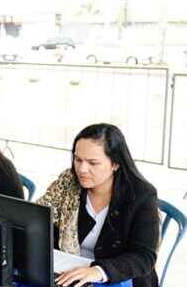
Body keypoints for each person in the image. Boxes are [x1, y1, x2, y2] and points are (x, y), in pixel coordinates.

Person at [35, 123, 160, 287]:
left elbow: (144, 256)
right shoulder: (67, 183)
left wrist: (99, 271)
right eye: (78, 159)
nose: (82, 169)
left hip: (117, 276)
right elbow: (38, 220)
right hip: (71, 270)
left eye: (93, 163)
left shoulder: (141, 195)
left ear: (115, 164)